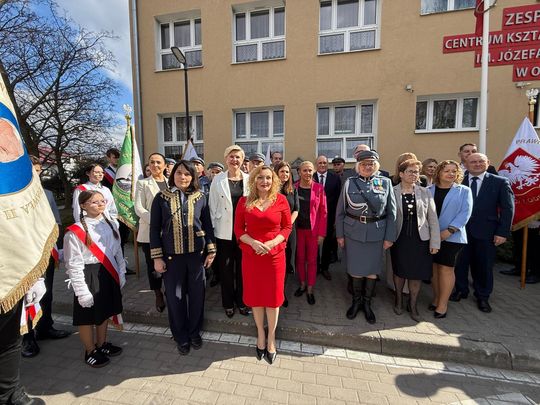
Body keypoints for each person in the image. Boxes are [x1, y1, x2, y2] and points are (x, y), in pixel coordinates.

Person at [150, 161, 216, 355]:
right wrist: (157, 257)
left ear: (193, 176)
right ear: (173, 175)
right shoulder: (161, 197)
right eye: (179, 173)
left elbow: (208, 225)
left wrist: (211, 251)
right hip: (172, 258)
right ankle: (181, 336)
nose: (183, 177)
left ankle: (194, 332)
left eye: (187, 174)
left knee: (197, 296)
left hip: (197, 256)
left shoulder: (201, 197)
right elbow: (154, 229)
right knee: (175, 298)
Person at [234, 166, 292, 364]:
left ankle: (272, 338)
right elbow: (238, 229)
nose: (264, 181)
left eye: (268, 178)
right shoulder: (244, 202)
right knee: (256, 297)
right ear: (254, 180)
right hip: (252, 256)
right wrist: (253, 243)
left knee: (273, 299)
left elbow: (287, 227)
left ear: (273, 180)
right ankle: (260, 333)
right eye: (260, 177)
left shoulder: (281, 200)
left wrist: (272, 243)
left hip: (274, 256)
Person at [64, 190, 125, 368]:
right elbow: (73, 264)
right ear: (83, 205)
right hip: (88, 274)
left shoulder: (111, 224)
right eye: (94, 202)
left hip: (107, 271)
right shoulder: (75, 232)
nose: (100, 204)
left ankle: (102, 343)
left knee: (104, 311)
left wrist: (121, 271)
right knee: (87, 316)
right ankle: (90, 350)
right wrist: (81, 291)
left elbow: (117, 250)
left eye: (102, 201)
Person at [336, 150, 396, 324]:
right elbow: (340, 212)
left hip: (377, 234)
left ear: (376, 166)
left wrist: (389, 237)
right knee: (355, 270)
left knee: (372, 271)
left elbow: (392, 213)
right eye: (364, 164)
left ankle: (367, 303)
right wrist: (340, 235)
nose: (367, 167)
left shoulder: (385, 182)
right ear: (358, 166)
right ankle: (356, 302)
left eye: (371, 164)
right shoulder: (350, 183)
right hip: (353, 233)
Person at [452, 153, 514, 313]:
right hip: (461, 230)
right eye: (473, 162)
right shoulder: (458, 180)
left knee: (484, 265)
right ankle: (460, 290)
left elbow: (507, 208)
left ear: (488, 163)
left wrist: (502, 232)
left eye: (481, 161)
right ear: (466, 164)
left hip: (487, 231)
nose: (477, 164)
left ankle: (483, 296)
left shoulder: (500, 182)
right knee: (460, 263)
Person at [21, 157, 70, 358]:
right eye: (32, 169)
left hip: (45, 252)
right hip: (24, 254)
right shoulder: (12, 196)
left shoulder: (47, 194)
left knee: (46, 291)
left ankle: (45, 327)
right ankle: (27, 337)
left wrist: (58, 248)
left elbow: (56, 223)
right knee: (27, 296)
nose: (37, 173)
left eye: (39, 170)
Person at [391, 159, 440, 322]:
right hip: (400, 238)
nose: (414, 174)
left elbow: (433, 219)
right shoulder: (392, 191)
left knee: (416, 273)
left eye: (417, 172)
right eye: (410, 171)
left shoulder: (425, 192)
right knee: (399, 271)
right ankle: (398, 300)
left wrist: (435, 242)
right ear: (401, 174)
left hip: (420, 239)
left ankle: (412, 305)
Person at [209, 145, 250, 318]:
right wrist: (211, 234)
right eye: (231, 156)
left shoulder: (249, 179)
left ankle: (242, 301)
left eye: (238, 157)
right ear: (226, 159)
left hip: (244, 233)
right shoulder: (217, 179)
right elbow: (212, 206)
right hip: (223, 232)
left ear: (242, 159)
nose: (234, 160)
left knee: (243, 269)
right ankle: (228, 303)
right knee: (225, 270)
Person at [428, 160, 472, 318]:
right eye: (447, 170)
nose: (451, 174)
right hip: (431, 236)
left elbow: (465, 213)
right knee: (434, 268)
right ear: (439, 172)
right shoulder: (428, 190)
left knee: (445, 269)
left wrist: (450, 230)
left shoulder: (464, 191)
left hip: (453, 237)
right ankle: (436, 298)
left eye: (454, 171)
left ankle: (443, 305)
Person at [134, 153, 168, 312]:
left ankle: (169, 288)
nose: (155, 165)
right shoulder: (143, 183)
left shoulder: (171, 182)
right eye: (152, 162)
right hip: (149, 232)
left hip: (169, 233)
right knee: (153, 265)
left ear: (165, 165)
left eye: (158, 162)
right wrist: (156, 221)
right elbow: (139, 208)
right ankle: (158, 293)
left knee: (169, 262)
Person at [294, 161, 326, 305]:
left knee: (312, 260)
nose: (307, 173)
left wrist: (322, 234)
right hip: (298, 231)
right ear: (299, 172)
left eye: (310, 170)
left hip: (313, 231)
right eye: (304, 170)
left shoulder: (319, 188)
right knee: (300, 258)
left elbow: (323, 212)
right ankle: (302, 284)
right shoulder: (293, 188)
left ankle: (310, 289)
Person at [274, 161, 299, 307]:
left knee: (287, 262)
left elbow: (296, 209)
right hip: (274, 231)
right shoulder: (271, 189)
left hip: (289, 231)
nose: (285, 174)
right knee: (276, 263)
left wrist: (287, 225)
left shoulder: (292, 189)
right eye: (282, 171)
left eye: (287, 172)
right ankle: (275, 292)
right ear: (276, 172)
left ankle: (282, 292)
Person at [313, 155, 341, 280]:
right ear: (316, 164)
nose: (322, 165)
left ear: (327, 164)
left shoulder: (335, 178)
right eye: (320, 163)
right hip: (313, 217)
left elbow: (338, 199)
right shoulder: (311, 177)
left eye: (324, 163)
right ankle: (315, 267)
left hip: (329, 217)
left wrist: (336, 218)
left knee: (327, 243)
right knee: (314, 243)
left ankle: (325, 267)